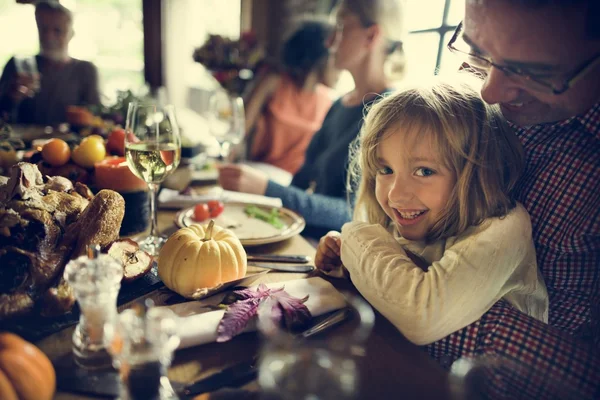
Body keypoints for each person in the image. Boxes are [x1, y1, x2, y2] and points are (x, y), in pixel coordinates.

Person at [364, 1, 600, 398]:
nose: (489, 91)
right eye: (477, 51)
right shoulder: (472, 104)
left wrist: (395, 283)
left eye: (534, 72)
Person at [315, 78, 549, 344]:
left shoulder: (505, 227)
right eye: (386, 170)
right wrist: (343, 260)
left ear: (474, 174)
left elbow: (421, 314)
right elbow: (387, 279)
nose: (395, 194)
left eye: (424, 171)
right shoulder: (414, 218)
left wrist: (355, 237)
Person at [218, 0, 407, 239]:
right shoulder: (339, 105)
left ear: (371, 36)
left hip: (336, 254)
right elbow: (300, 182)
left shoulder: (390, 114)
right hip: (299, 239)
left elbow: (354, 212)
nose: (329, 43)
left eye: (340, 28)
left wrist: (266, 188)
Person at [244, 17, 338, 175]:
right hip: (258, 173)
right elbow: (240, 129)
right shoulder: (274, 82)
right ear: (320, 56)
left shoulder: (329, 102)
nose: (340, 67)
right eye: (335, 55)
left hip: (295, 187)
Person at [0, 1, 100, 125]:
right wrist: (10, 97)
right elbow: (3, 113)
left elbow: (96, 118)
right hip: (22, 143)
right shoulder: (17, 65)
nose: (48, 36)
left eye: (57, 30)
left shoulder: (86, 70)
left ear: (71, 34)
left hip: (66, 143)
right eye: (43, 29)